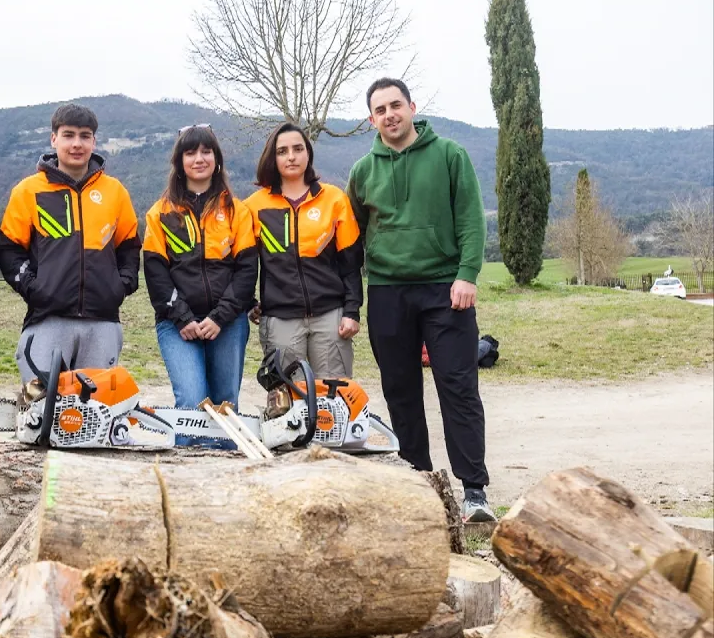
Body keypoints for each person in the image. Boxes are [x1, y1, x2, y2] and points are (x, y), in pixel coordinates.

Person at [347, 77, 493, 522]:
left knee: (459, 388)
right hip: (388, 291)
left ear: (412, 107)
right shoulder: (363, 172)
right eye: (380, 109)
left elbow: (471, 218)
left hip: (446, 290)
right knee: (401, 391)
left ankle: (474, 492)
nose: (389, 114)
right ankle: (419, 480)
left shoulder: (449, 155)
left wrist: (467, 274)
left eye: (396, 105)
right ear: (371, 119)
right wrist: (352, 297)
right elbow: (352, 243)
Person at [0, 104, 141, 382]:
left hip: (102, 321)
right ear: (54, 139)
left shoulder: (114, 192)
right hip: (48, 319)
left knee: (94, 415)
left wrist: (120, 286)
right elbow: (8, 250)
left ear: (94, 142)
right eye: (68, 135)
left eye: (85, 136)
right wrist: (34, 288)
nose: (77, 144)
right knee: (41, 411)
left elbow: (129, 248)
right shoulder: (29, 190)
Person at [141, 124, 256, 444]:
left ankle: (225, 482)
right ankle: (186, 485)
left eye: (206, 151)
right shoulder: (160, 213)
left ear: (217, 159)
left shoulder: (237, 210)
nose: (199, 158)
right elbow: (155, 273)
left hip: (228, 323)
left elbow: (246, 271)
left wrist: (220, 317)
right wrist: (184, 318)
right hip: (177, 325)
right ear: (179, 162)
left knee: (225, 407)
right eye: (190, 152)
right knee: (191, 405)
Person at [245, 122, 363, 379]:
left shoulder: (334, 199)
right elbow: (243, 266)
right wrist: (249, 303)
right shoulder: (254, 206)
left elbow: (351, 262)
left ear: (308, 153)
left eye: (298, 148)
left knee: (333, 401)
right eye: (282, 151)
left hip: (330, 317)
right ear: (272, 157)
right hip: (280, 319)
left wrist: (352, 311)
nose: (291, 156)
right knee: (287, 403)